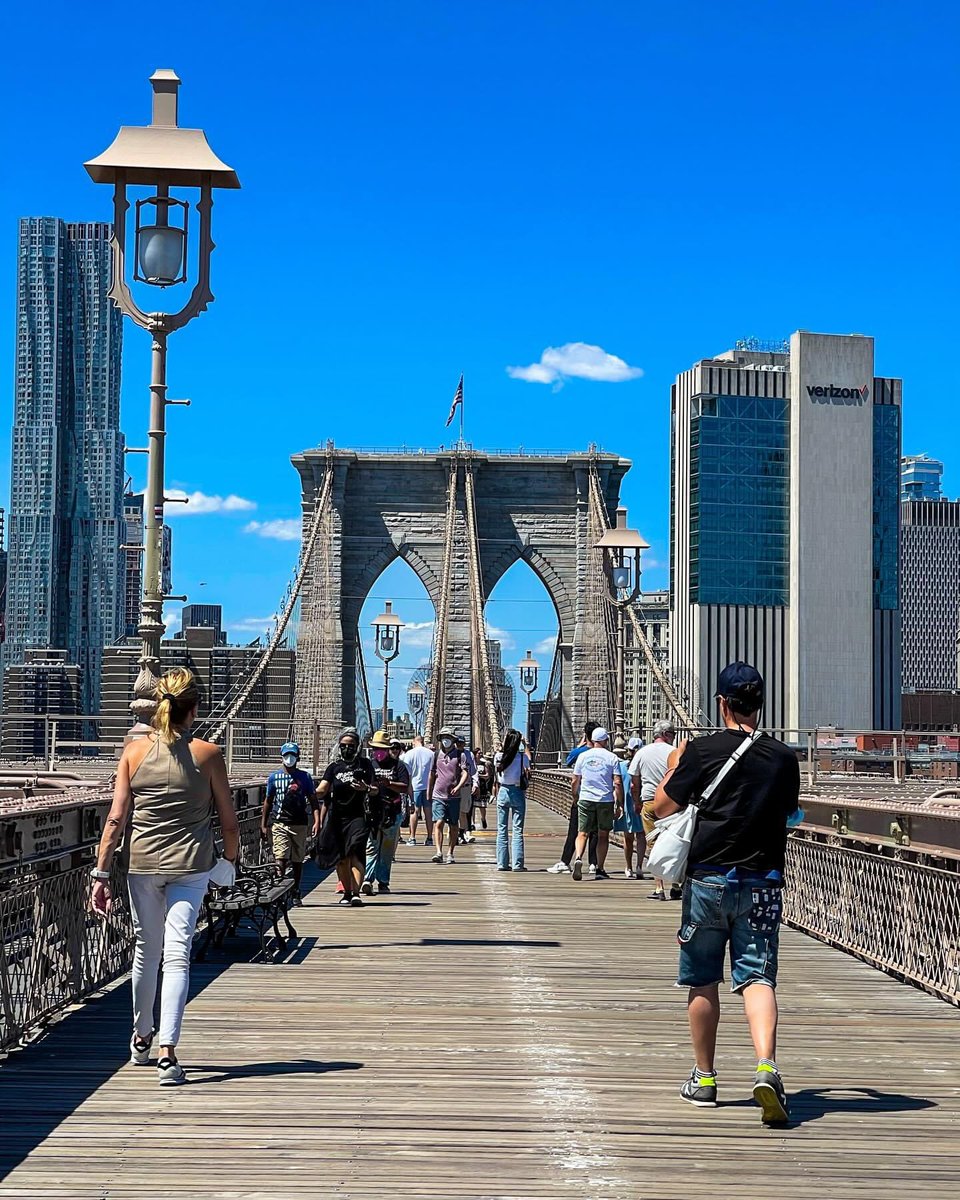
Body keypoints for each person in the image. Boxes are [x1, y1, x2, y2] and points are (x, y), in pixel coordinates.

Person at [653, 662, 800, 1125]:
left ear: (722, 703)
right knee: (758, 978)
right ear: (760, 703)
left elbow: (659, 808)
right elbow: (791, 816)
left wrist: (674, 768)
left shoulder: (701, 751)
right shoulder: (782, 757)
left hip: (707, 881)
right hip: (762, 882)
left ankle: (705, 1078)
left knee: (703, 979)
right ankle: (766, 1067)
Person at [89, 668, 239, 1086]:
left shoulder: (133, 752)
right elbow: (229, 822)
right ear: (194, 710)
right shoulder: (209, 754)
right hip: (191, 867)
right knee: (177, 954)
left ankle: (140, 1037)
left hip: (141, 866)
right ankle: (168, 1053)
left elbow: (117, 817)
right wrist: (228, 860)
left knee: (146, 950)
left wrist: (101, 873)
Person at [316, 728, 380, 906]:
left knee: (356, 852)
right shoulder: (334, 768)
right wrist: (309, 793)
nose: (346, 749)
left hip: (358, 816)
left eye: (350, 746)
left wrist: (365, 788)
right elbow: (323, 789)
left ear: (357, 747)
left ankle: (356, 893)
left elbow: (375, 790)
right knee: (342, 858)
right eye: (343, 746)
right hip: (337, 818)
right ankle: (347, 891)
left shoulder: (365, 765)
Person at [260, 741, 319, 904]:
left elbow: (313, 801)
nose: (289, 758)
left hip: (299, 823)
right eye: (286, 755)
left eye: (292, 755)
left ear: (297, 757)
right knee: (280, 856)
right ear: (281, 757)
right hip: (279, 822)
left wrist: (317, 821)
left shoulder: (305, 777)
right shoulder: (274, 778)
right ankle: (280, 889)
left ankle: (296, 890)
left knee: (298, 859)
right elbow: (268, 801)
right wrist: (263, 824)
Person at [629, 720, 678, 900]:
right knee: (674, 843)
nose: (673, 737)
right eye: (672, 733)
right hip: (672, 803)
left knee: (654, 844)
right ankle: (676, 885)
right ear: (665, 735)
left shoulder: (642, 752)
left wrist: (637, 802)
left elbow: (634, 783)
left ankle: (659, 888)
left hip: (649, 802)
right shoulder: (674, 752)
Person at [546, 721, 600, 875]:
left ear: (586, 734)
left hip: (583, 797)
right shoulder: (606, 754)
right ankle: (593, 864)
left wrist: (575, 795)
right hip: (600, 798)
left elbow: (569, 761)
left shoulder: (580, 753)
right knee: (595, 831)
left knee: (575, 831)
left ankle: (565, 862)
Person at [570, 728, 623, 880]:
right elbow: (618, 783)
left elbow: (575, 780)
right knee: (603, 835)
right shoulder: (612, 757)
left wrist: (575, 796)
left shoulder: (583, 756)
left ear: (592, 740)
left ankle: (578, 858)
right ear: (605, 741)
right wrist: (620, 804)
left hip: (586, 798)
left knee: (582, 833)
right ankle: (599, 869)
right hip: (605, 800)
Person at [361, 732, 410, 895]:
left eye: (381, 749)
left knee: (386, 850)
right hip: (373, 811)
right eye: (375, 749)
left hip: (392, 812)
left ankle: (383, 881)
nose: (378, 752)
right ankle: (367, 879)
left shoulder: (399, 766)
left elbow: (404, 786)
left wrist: (389, 784)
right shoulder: (369, 765)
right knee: (371, 847)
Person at [428, 727, 469, 864]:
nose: (446, 740)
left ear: (453, 740)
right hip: (438, 795)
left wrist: (458, 787)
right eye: (444, 737)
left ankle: (450, 852)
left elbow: (465, 773)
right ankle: (438, 852)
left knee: (453, 825)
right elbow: (432, 774)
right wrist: (429, 792)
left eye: (449, 737)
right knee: (438, 822)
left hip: (454, 797)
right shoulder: (436, 755)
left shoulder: (460, 755)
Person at [494, 729, 531, 871]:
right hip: (517, 792)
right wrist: (525, 744)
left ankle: (502, 864)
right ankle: (517, 864)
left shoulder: (498, 756)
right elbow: (529, 764)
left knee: (501, 829)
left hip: (503, 791)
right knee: (517, 830)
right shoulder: (522, 757)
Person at [612, 739, 643, 877]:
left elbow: (616, 785)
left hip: (626, 804)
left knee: (628, 837)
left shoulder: (621, 766)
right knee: (641, 835)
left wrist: (618, 804)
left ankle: (628, 867)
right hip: (641, 803)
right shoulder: (643, 765)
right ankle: (639, 866)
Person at [402, 734, 435, 845]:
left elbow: (407, 774)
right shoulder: (431, 754)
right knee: (428, 813)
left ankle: (412, 838)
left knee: (414, 812)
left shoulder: (409, 754)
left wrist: (408, 789)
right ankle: (430, 838)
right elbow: (434, 772)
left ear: (413, 742)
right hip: (428, 787)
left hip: (414, 786)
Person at [456, 735, 478, 844]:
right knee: (453, 812)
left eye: (461, 743)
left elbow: (473, 770)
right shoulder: (450, 754)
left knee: (463, 812)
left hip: (465, 787)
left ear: (465, 744)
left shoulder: (469, 755)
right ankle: (455, 833)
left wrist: (475, 784)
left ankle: (461, 834)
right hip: (452, 787)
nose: (459, 744)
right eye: (457, 742)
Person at [473, 748, 493, 831]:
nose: (480, 754)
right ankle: (472, 823)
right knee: (472, 807)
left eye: (481, 753)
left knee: (482, 806)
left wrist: (478, 776)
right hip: (473, 787)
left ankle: (483, 819)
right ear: (475, 754)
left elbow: (487, 775)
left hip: (482, 786)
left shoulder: (484, 764)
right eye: (479, 753)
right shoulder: (471, 763)